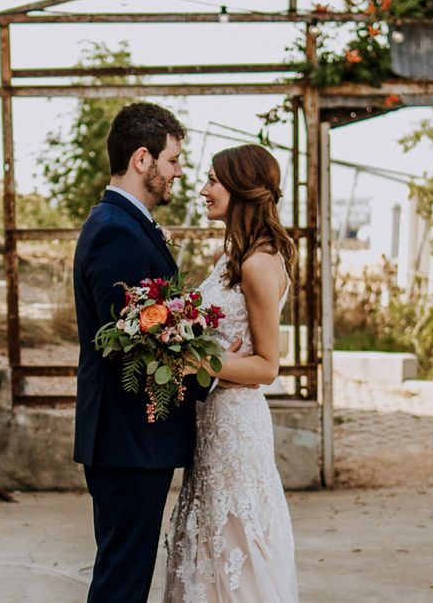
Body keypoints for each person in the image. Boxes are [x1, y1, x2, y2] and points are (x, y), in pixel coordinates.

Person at [73, 102, 212, 603]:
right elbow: (135, 339)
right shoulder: (116, 230)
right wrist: (212, 369)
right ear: (141, 159)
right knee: (122, 580)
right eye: (172, 160)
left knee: (124, 572)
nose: (177, 172)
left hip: (129, 439)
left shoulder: (126, 223)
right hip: (127, 437)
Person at [164, 144, 299, 602]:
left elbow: (266, 365)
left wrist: (197, 361)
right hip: (212, 422)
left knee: (234, 543)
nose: (203, 190)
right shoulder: (231, 259)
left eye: (213, 181)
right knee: (207, 545)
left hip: (236, 425)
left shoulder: (258, 263)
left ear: (242, 187)